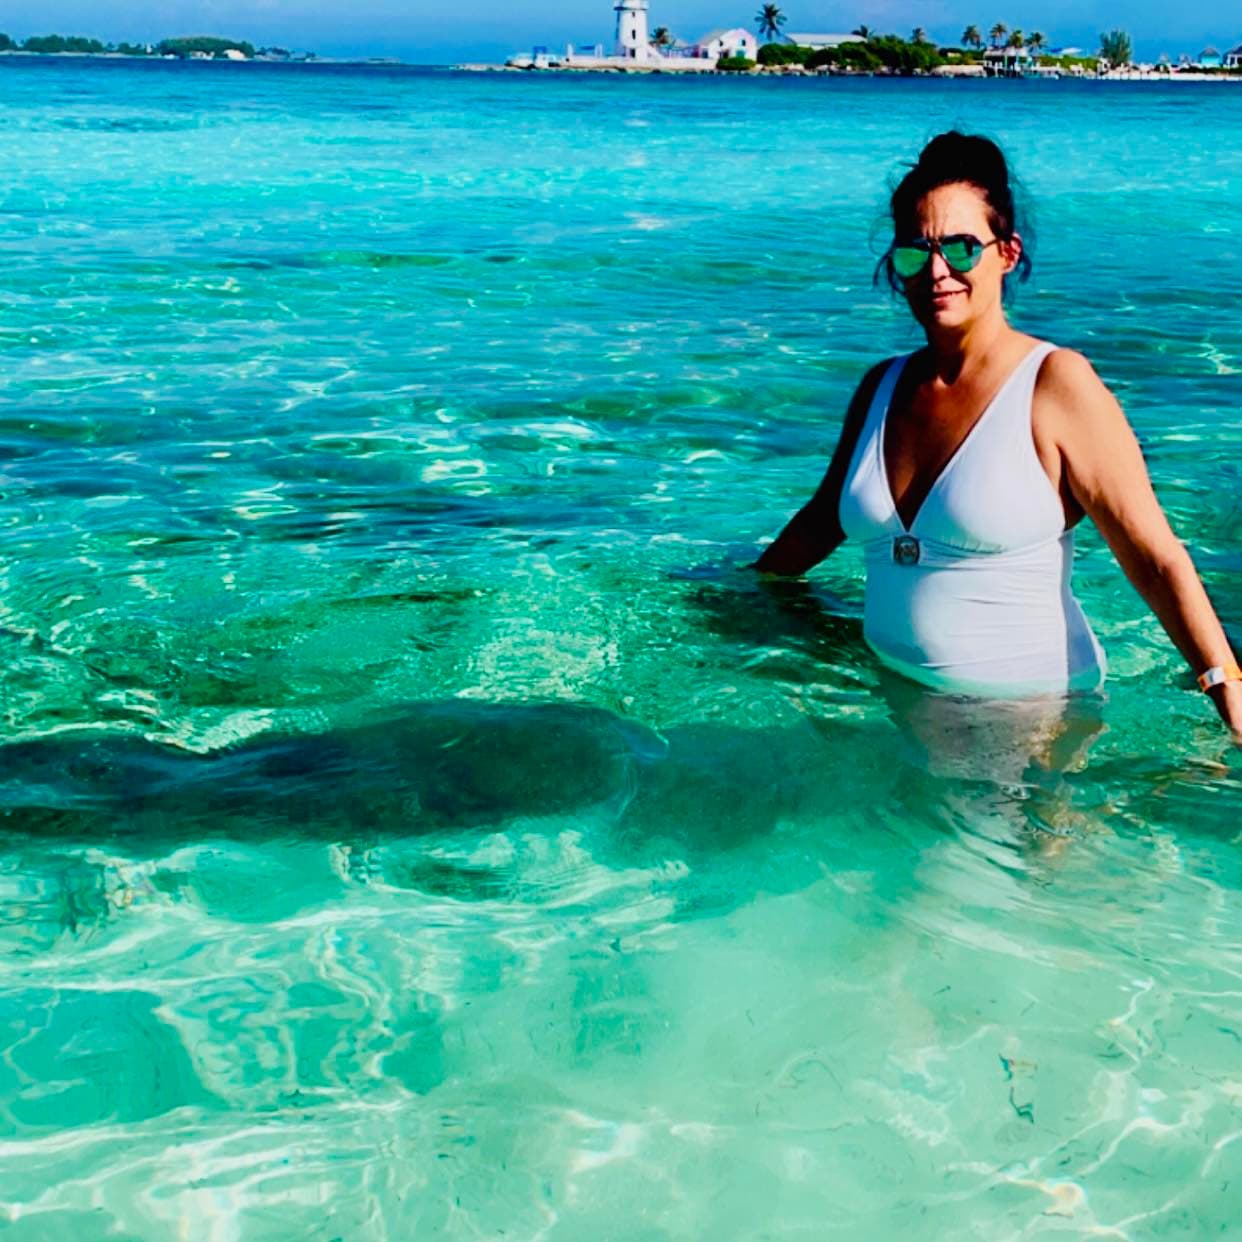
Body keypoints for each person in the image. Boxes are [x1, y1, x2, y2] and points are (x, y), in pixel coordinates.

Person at [755, 131, 1241, 741]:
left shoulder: (1055, 384)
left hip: (1034, 731)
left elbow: (1154, 556)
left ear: (1006, 253)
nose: (936, 270)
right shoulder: (882, 386)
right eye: (914, 250)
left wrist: (1226, 683)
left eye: (961, 248)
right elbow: (824, 519)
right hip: (895, 708)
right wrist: (743, 592)